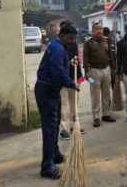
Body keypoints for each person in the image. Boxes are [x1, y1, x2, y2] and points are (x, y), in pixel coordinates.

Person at [34, 24, 80, 179]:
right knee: (49, 127)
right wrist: (72, 83)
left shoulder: (59, 46)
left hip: (52, 90)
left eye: (74, 38)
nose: (73, 41)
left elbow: (60, 67)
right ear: (63, 35)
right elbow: (57, 72)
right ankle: (47, 166)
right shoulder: (58, 48)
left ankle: (55, 154)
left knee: (54, 124)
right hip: (46, 90)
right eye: (71, 38)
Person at [83, 22, 116, 127]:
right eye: (97, 29)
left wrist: (113, 68)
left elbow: (111, 55)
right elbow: (86, 57)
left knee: (107, 93)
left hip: (106, 70)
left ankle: (106, 114)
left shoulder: (107, 40)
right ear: (93, 31)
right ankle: (96, 117)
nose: (99, 31)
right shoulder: (88, 43)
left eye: (101, 28)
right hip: (94, 72)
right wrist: (86, 71)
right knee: (95, 95)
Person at [58, 21, 85, 141]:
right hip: (63, 80)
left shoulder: (74, 44)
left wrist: (79, 76)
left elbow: (79, 59)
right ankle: (63, 128)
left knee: (74, 104)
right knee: (63, 105)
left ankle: (75, 125)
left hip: (74, 78)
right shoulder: (59, 45)